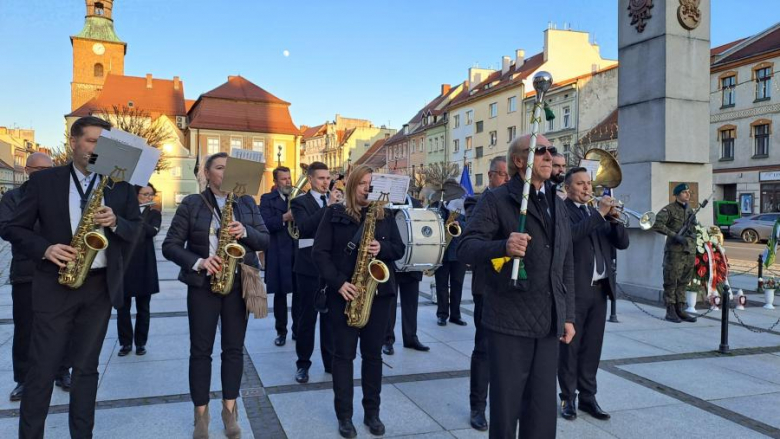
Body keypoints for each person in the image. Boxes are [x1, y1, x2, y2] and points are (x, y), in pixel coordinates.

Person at [5, 116, 142, 438]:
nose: (98, 149)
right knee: (41, 369)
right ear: (73, 142)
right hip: (55, 282)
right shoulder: (45, 181)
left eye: (104, 143)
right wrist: (45, 248)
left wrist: (116, 222)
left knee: (86, 369)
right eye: (92, 141)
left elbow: (137, 230)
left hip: (98, 286)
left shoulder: (119, 186)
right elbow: (12, 227)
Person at [457, 134, 576, 438]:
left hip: (548, 321)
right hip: (509, 321)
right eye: (541, 151)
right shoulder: (497, 199)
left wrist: (568, 314)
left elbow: (565, 262)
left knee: (541, 411)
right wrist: (503, 246)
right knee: (507, 411)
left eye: (551, 151)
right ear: (520, 161)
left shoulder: (557, 202)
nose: (550, 156)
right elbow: (466, 247)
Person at [162, 152, 269, 439]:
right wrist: (199, 262)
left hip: (238, 285)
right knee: (200, 351)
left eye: (229, 168)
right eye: (219, 168)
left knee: (234, 350)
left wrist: (245, 231)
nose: (225, 173)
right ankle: (201, 415)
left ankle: (230, 410)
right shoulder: (192, 203)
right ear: (207, 174)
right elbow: (170, 246)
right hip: (204, 285)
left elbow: (265, 239)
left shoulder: (246, 202)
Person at [311, 164, 405, 438]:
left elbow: (398, 250)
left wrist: (382, 248)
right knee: (344, 357)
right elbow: (319, 253)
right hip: (345, 295)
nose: (368, 188)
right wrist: (339, 283)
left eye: (372, 183)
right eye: (363, 183)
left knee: (373, 357)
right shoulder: (334, 213)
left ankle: (372, 413)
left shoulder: (385, 215)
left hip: (379, 295)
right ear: (352, 185)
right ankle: (345, 416)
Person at [0, 152, 73, 402]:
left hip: (59, 269)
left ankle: (62, 371)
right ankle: (23, 379)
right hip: (27, 272)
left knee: (63, 325)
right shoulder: (13, 197)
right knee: (25, 329)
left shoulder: (60, 195)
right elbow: (7, 229)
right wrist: (44, 246)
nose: (45, 174)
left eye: (49, 169)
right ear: (26, 171)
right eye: (39, 170)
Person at [558, 167, 629, 422]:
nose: (587, 188)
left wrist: (614, 219)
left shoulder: (594, 212)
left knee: (592, 349)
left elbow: (622, 243)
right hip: (575, 291)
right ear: (568, 188)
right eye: (580, 184)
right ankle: (568, 397)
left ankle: (588, 396)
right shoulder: (562, 211)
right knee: (570, 348)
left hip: (599, 292)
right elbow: (571, 237)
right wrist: (600, 214)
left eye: (589, 183)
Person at [462, 155, 509, 431]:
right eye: (501, 175)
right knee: (484, 348)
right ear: (490, 176)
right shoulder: (475, 203)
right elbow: (476, 240)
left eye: (508, 175)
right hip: (487, 286)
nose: (505, 179)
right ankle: (477, 406)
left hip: (516, 287)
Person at [290, 162, 336, 384]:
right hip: (308, 268)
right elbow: (306, 227)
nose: (326, 182)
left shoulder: (336, 202)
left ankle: (330, 362)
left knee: (330, 318)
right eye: (321, 178)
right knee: (307, 318)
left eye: (328, 178)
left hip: (331, 268)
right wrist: (329, 208)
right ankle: (303, 364)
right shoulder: (299, 202)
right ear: (310, 180)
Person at [116, 184, 162, 357]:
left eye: (151, 195)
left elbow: (151, 231)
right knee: (123, 307)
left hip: (145, 265)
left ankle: (141, 343)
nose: (148, 198)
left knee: (144, 308)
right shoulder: (124, 212)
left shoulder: (154, 213)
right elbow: (121, 231)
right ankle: (125, 343)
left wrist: (136, 218)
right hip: (125, 264)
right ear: (135, 196)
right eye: (144, 194)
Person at [382, 194, 429, 356]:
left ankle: (411, 338)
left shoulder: (415, 203)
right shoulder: (383, 203)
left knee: (411, 303)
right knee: (389, 304)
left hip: (412, 259)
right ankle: (387, 340)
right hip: (391, 259)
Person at [259, 166, 298, 347]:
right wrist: (285, 217)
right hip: (277, 252)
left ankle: (297, 330)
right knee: (280, 296)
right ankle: (281, 331)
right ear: (275, 182)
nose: (288, 182)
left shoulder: (298, 198)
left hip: (297, 252)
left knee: (300, 294)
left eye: (289, 178)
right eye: (283, 179)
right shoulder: (267, 199)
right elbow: (265, 224)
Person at [651, 183, 698, 323]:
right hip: (674, 251)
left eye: (689, 192)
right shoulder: (668, 210)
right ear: (677, 195)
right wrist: (674, 235)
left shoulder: (690, 210)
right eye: (684, 192)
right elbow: (657, 224)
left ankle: (680, 308)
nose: (688, 194)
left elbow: (694, 227)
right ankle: (670, 310)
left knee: (684, 280)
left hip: (688, 250)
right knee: (671, 280)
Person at [433, 187, 467, 327]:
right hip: (442, 252)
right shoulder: (437, 206)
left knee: (457, 285)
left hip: (458, 252)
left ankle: (455, 315)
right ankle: (442, 315)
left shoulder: (462, 207)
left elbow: (469, 224)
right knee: (441, 286)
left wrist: (461, 224)